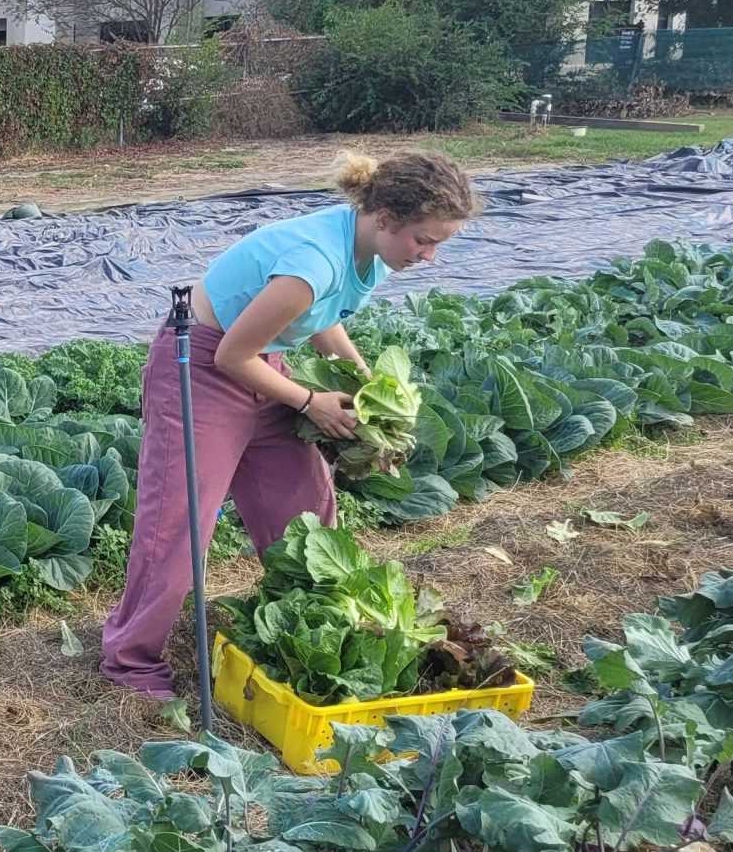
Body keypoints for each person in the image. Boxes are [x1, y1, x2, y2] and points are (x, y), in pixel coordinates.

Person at [98, 149, 480, 700]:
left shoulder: (365, 252)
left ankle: (303, 632)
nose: (430, 255)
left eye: (439, 243)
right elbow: (231, 355)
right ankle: (130, 660)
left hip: (263, 365)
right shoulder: (313, 262)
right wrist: (309, 402)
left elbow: (321, 323)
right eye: (425, 240)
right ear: (386, 219)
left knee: (306, 512)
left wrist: (369, 388)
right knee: (180, 522)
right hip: (204, 367)